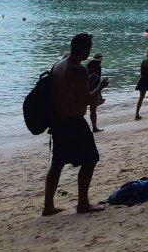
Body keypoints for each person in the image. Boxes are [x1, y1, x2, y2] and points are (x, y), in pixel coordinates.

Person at [43, 32, 109, 215]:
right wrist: (100, 87)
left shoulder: (59, 64)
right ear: (84, 48)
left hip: (58, 121)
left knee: (57, 163)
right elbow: (85, 100)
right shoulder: (79, 69)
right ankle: (83, 203)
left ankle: (48, 206)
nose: (90, 51)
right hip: (74, 122)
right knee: (90, 159)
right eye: (89, 47)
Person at [85, 52, 104, 133]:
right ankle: (94, 127)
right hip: (94, 90)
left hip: (85, 89)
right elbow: (97, 81)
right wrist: (99, 93)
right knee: (93, 111)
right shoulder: (98, 67)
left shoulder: (87, 66)